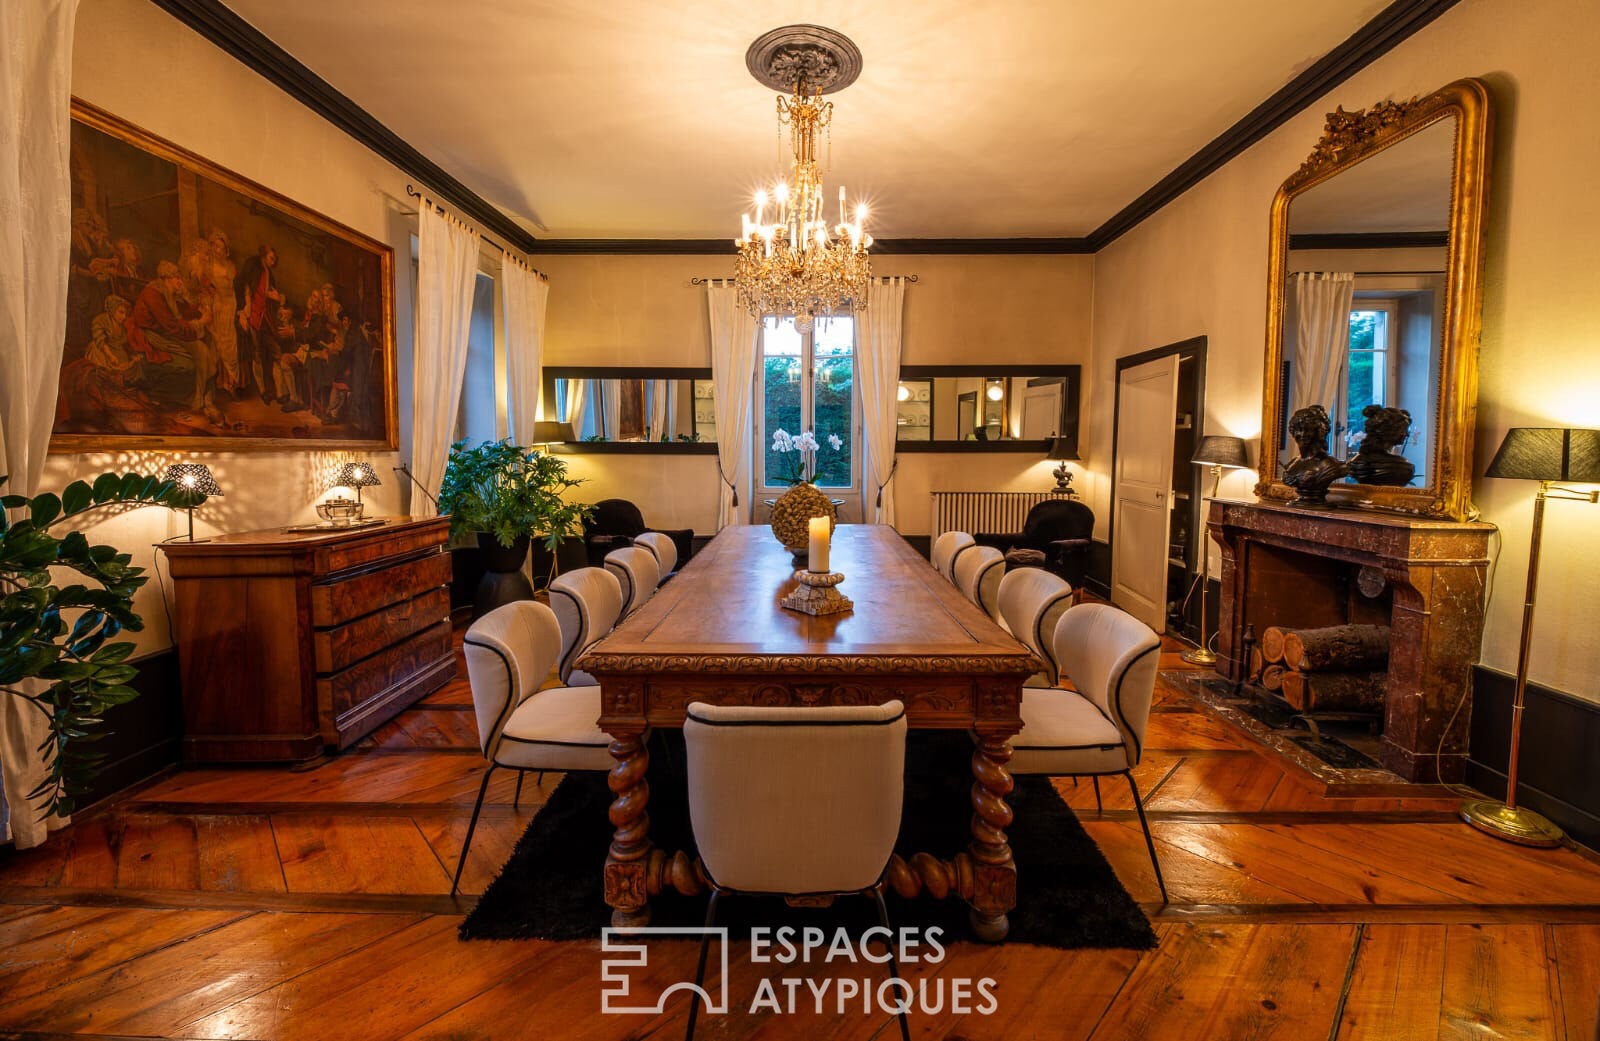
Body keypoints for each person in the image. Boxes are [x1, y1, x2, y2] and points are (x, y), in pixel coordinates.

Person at [235, 244, 284, 400]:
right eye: (271, 258)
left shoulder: (270, 274)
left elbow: (272, 296)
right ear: (264, 255)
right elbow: (240, 284)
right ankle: (263, 392)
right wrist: (242, 310)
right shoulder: (252, 266)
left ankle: (281, 393)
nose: (273, 262)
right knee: (256, 355)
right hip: (253, 317)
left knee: (276, 351)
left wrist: (277, 298)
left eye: (274, 259)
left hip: (266, 319)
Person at [1283, 404, 1346, 504]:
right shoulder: (1292, 463)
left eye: (1308, 430)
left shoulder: (1329, 465)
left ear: (1319, 432)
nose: (1302, 434)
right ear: (1293, 431)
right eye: (1299, 429)